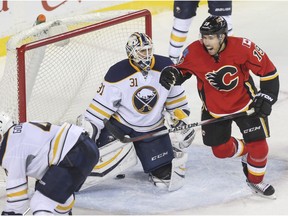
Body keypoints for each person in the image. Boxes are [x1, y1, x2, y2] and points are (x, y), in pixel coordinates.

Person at [160, 16, 279, 198]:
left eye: (212, 37)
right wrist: (172, 73)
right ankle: (247, 152)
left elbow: (268, 70)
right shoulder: (193, 51)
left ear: (223, 36)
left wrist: (267, 95)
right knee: (220, 151)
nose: (207, 42)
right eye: (204, 37)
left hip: (245, 105)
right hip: (214, 110)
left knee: (260, 147)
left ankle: (256, 181)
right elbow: (182, 71)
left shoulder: (243, 47)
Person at [78, 32, 195, 191]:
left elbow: (177, 104)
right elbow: (96, 113)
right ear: (131, 52)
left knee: (164, 179)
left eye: (148, 50)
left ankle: (162, 154)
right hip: (120, 129)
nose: (146, 55)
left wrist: (180, 122)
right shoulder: (117, 73)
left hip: (152, 129)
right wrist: (86, 139)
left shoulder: (166, 68)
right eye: (142, 51)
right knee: (102, 168)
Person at [0, 112, 99, 215]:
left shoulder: (10, 149)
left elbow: (17, 201)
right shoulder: (20, 130)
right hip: (83, 146)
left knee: (40, 203)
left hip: (74, 152)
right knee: (51, 195)